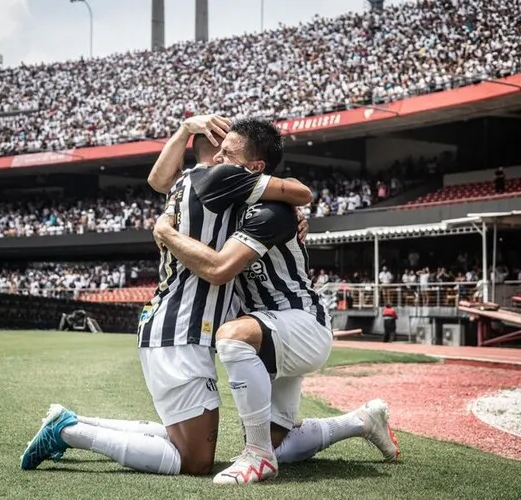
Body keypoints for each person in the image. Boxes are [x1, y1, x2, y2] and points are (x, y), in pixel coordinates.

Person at [18, 116, 314, 475]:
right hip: (183, 327)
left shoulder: (185, 182)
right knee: (193, 461)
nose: (222, 157)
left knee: (183, 438)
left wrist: (185, 129)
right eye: (220, 150)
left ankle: (71, 422)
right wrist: (292, 209)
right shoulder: (223, 178)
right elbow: (300, 192)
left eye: (228, 151)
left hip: (173, 322)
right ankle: (69, 432)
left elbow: (157, 179)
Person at [152, 119, 399, 485]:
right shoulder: (235, 207)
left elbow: (220, 268)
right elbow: (161, 181)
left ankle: (257, 457)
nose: (217, 157)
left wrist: (165, 233)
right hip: (271, 331)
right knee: (283, 444)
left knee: (232, 336)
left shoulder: (271, 211)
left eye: (228, 153)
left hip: (300, 323)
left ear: (254, 169)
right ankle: (361, 421)